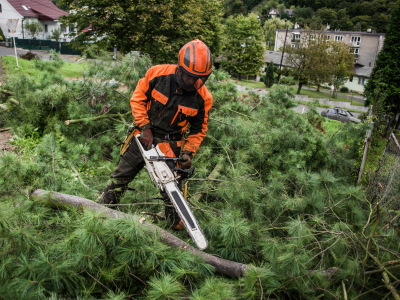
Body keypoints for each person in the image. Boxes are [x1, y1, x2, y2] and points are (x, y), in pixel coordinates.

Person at [98, 39, 213, 229]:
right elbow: (137, 99)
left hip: (172, 145)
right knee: (120, 177)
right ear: (180, 68)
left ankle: (174, 227)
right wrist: (145, 127)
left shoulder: (203, 97)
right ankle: (102, 211)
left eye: (198, 78)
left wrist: (188, 153)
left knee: (172, 192)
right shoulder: (158, 74)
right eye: (189, 76)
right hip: (144, 137)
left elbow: (199, 130)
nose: (192, 81)